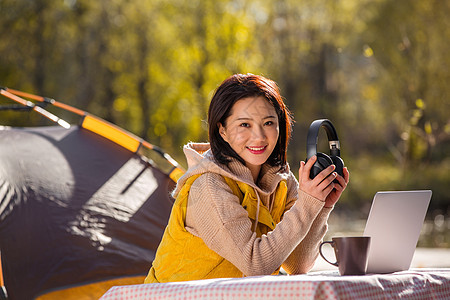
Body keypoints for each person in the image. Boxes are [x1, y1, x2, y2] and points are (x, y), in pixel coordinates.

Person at [144, 73, 349, 283]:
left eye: (269, 122)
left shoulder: (280, 180)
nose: (259, 136)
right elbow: (255, 264)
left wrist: (320, 206)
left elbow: (297, 265)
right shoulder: (208, 185)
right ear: (222, 130)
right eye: (244, 125)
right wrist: (306, 204)